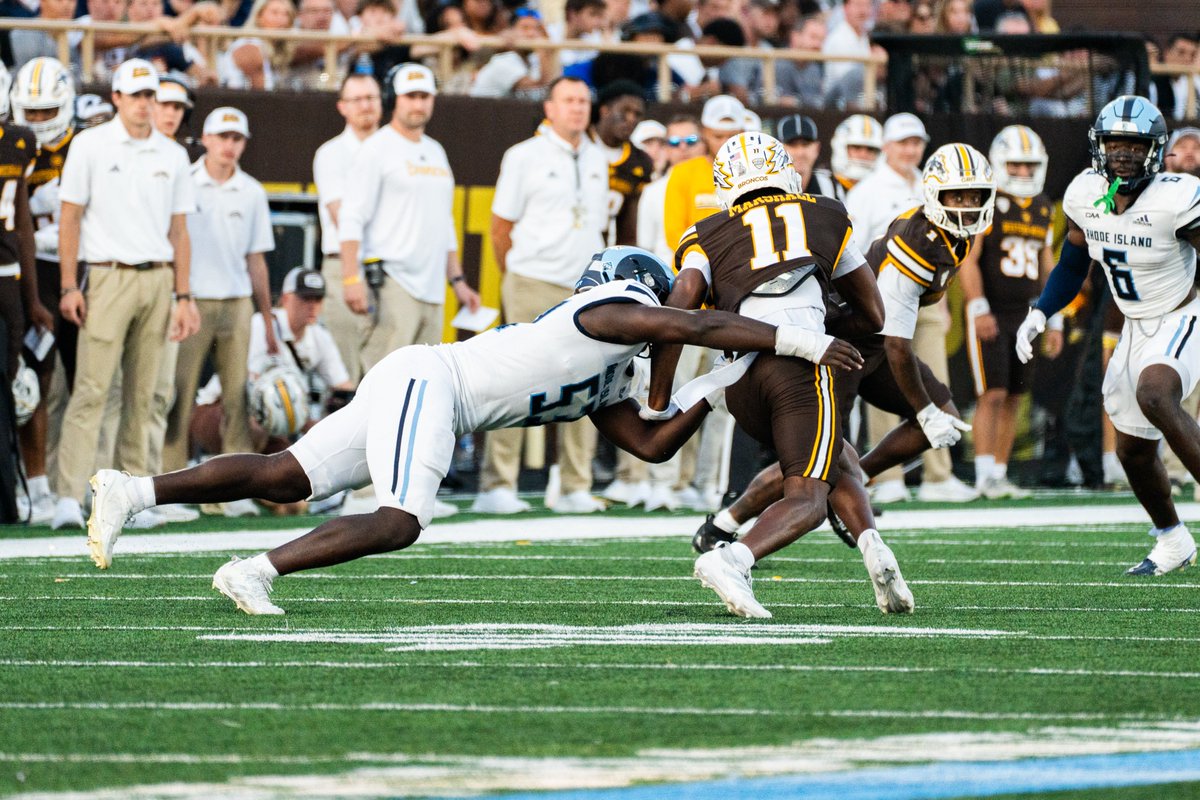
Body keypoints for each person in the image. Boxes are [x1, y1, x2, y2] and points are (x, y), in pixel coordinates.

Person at [86, 247, 837, 615]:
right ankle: (254, 568)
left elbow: (649, 442)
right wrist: (792, 342)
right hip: (432, 384)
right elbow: (689, 319)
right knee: (402, 519)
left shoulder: (610, 371)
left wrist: (718, 382)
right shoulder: (600, 312)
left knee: (287, 475)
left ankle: (132, 489)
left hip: (423, 384)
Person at [694, 144, 997, 567]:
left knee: (933, 418)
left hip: (874, 342)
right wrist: (922, 407)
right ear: (933, 194)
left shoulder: (954, 238)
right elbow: (891, 335)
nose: (966, 208)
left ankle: (856, 482)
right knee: (818, 455)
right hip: (846, 345)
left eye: (974, 197)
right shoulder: (915, 239)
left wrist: (929, 410)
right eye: (956, 197)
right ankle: (726, 523)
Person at [646, 131, 905, 619]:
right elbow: (873, 312)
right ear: (785, 171)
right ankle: (734, 559)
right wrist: (823, 326)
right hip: (799, 368)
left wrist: (659, 394)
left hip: (738, 378)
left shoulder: (706, 229)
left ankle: (875, 550)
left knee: (832, 456)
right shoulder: (825, 213)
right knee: (807, 497)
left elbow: (681, 299)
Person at [1015, 95, 1200, 576]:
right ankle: (1172, 540)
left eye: (1134, 144)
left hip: (1184, 311)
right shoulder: (1082, 194)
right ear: (1099, 146)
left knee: (1156, 393)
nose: (1123, 153)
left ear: (1154, 150)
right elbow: (1074, 261)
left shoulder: (1178, 196)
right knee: (1131, 450)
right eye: (1115, 142)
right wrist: (1042, 311)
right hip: (1136, 322)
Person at [51, 59, 199, 530]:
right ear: (116, 97)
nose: (143, 103)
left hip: (158, 278)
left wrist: (183, 294)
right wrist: (69, 285)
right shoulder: (90, 144)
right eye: (134, 95)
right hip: (108, 275)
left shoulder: (172, 154)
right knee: (92, 390)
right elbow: (69, 217)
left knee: (145, 395)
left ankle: (133, 499)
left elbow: (180, 230)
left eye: (149, 95)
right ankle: (68, 496)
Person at [473, 76, 609, 515]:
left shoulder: (597, 157)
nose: (578, 108)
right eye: (569, 100)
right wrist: (517, 272)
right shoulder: (523, 156)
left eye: (584, 100)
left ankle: (574, 485)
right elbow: (500, 228)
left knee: (589, 384)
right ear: (549, 108)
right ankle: (498, 485)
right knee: (515, 380)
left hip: (584, 287)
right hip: (531, 279)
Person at [848, 113, 978, 503]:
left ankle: (939, 474)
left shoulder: (933, 180)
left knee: (936, 381)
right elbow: (849, 249)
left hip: (924, 298)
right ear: (886, 145)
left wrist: (943, 300)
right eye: (902, 142)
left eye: (916, 142)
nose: (910, 149)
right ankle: (885, 480)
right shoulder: (867, 189)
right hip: (879, 301)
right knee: (887, 377)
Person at [161, 107, 276, 520]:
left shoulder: (252, 191)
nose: (229, 145)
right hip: (191, 299)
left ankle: (234, 488)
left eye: (237, 138)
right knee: (179, 395)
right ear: (206, 139)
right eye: (222, 136)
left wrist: (267, 316)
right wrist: (179, 297)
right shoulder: (185, 183)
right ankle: (172, 485)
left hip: (237, 302)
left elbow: (257, 260)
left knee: (237, 398)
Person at [339, 64, 480, 385]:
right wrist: (350, 277)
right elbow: (351, 216)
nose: (418, 104)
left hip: (433, 287)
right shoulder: (376, 147)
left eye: (425, 96)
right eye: (410, 96)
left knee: (424, 382)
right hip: (393, 282)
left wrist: (457, 280)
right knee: (385, 381)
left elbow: (444, 222)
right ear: (394, 99)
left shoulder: (435, 151)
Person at [959, 124, 1057, 498]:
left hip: (1027, 314)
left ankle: (999, 472)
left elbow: (1048, 262)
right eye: (1014, 165)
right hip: (993, 310)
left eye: (1028, 165)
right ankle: (984, 472)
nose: (1022, 172)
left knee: (1016, 395)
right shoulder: (986, 200)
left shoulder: (1045, 205)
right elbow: (969, 260)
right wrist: (979, 307)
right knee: (993, 393)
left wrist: (1055, 314)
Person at [10, 56, 76, 525]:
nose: (36, 121)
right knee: (30, 380)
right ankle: (31, 484)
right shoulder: (11, 145)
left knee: (84, 384)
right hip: (23, 272)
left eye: (44, 112)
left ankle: (64, 484)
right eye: (29, 112)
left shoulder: (89, 143)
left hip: (73, 269)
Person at [312, 72, 382, 385]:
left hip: (389, 271)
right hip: (344, 266)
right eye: (357, 99)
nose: (365, 105)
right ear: (342, 107)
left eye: (371, 98)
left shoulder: (397, 148)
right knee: (345, 380)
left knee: (386, 377)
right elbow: (341, 214)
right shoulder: (331, 153)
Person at [775, 113, 837, 197]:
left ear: (817, 148)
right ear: (778, 149)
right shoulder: (771, 186)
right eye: (792, 145)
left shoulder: (828, 186)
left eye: (805, 144)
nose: (800, 153)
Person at [828, 113, 882, 200]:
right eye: (857, 147)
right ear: (841, 148)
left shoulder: (886, 190)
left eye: (871, 149)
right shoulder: (824, 187)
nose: (863, 155)